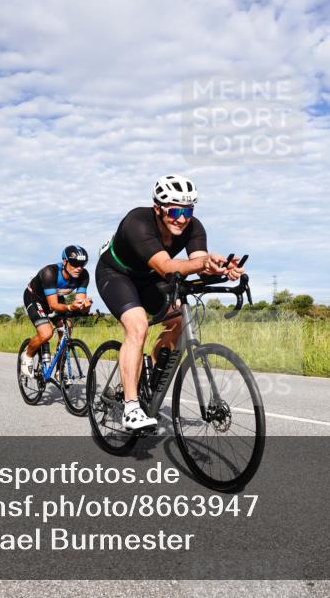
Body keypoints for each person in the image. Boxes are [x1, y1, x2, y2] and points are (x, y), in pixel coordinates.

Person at [96, 175, 243, 431]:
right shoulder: (137, 222)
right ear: (158, 209)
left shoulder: (193, 227)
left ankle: (152, 375)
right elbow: (167, 267)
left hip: (149, 279)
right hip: (116, 275)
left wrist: (219, 268)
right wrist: (202, 263)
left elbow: (198, 262)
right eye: (175, 210)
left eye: (188, 210)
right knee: (138, 326)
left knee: (180, 319)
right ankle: (131, 407)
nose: (182, 218)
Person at [20, 246, 93, 378]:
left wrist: (85, 307)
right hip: (35, 297)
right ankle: (27, 355)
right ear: (64, 261)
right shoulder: (50, 272)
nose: (79, 268)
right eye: (75, 264)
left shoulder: (84, 276)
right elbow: (53, 305)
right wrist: (71, 307)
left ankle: (59, 370)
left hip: (55, 297)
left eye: (83, 264)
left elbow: (79, 303)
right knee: (46, 333)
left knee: (67, 328)